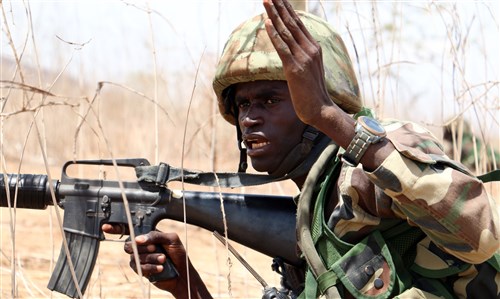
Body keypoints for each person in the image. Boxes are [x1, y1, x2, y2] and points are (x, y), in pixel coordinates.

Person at [103, 0, 499, 298]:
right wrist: (186, 286)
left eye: (271, 101)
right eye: (243, 104)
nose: (249, 119)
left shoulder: (378, 154)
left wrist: (328, 116)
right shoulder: (314, 216)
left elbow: (482, 233)